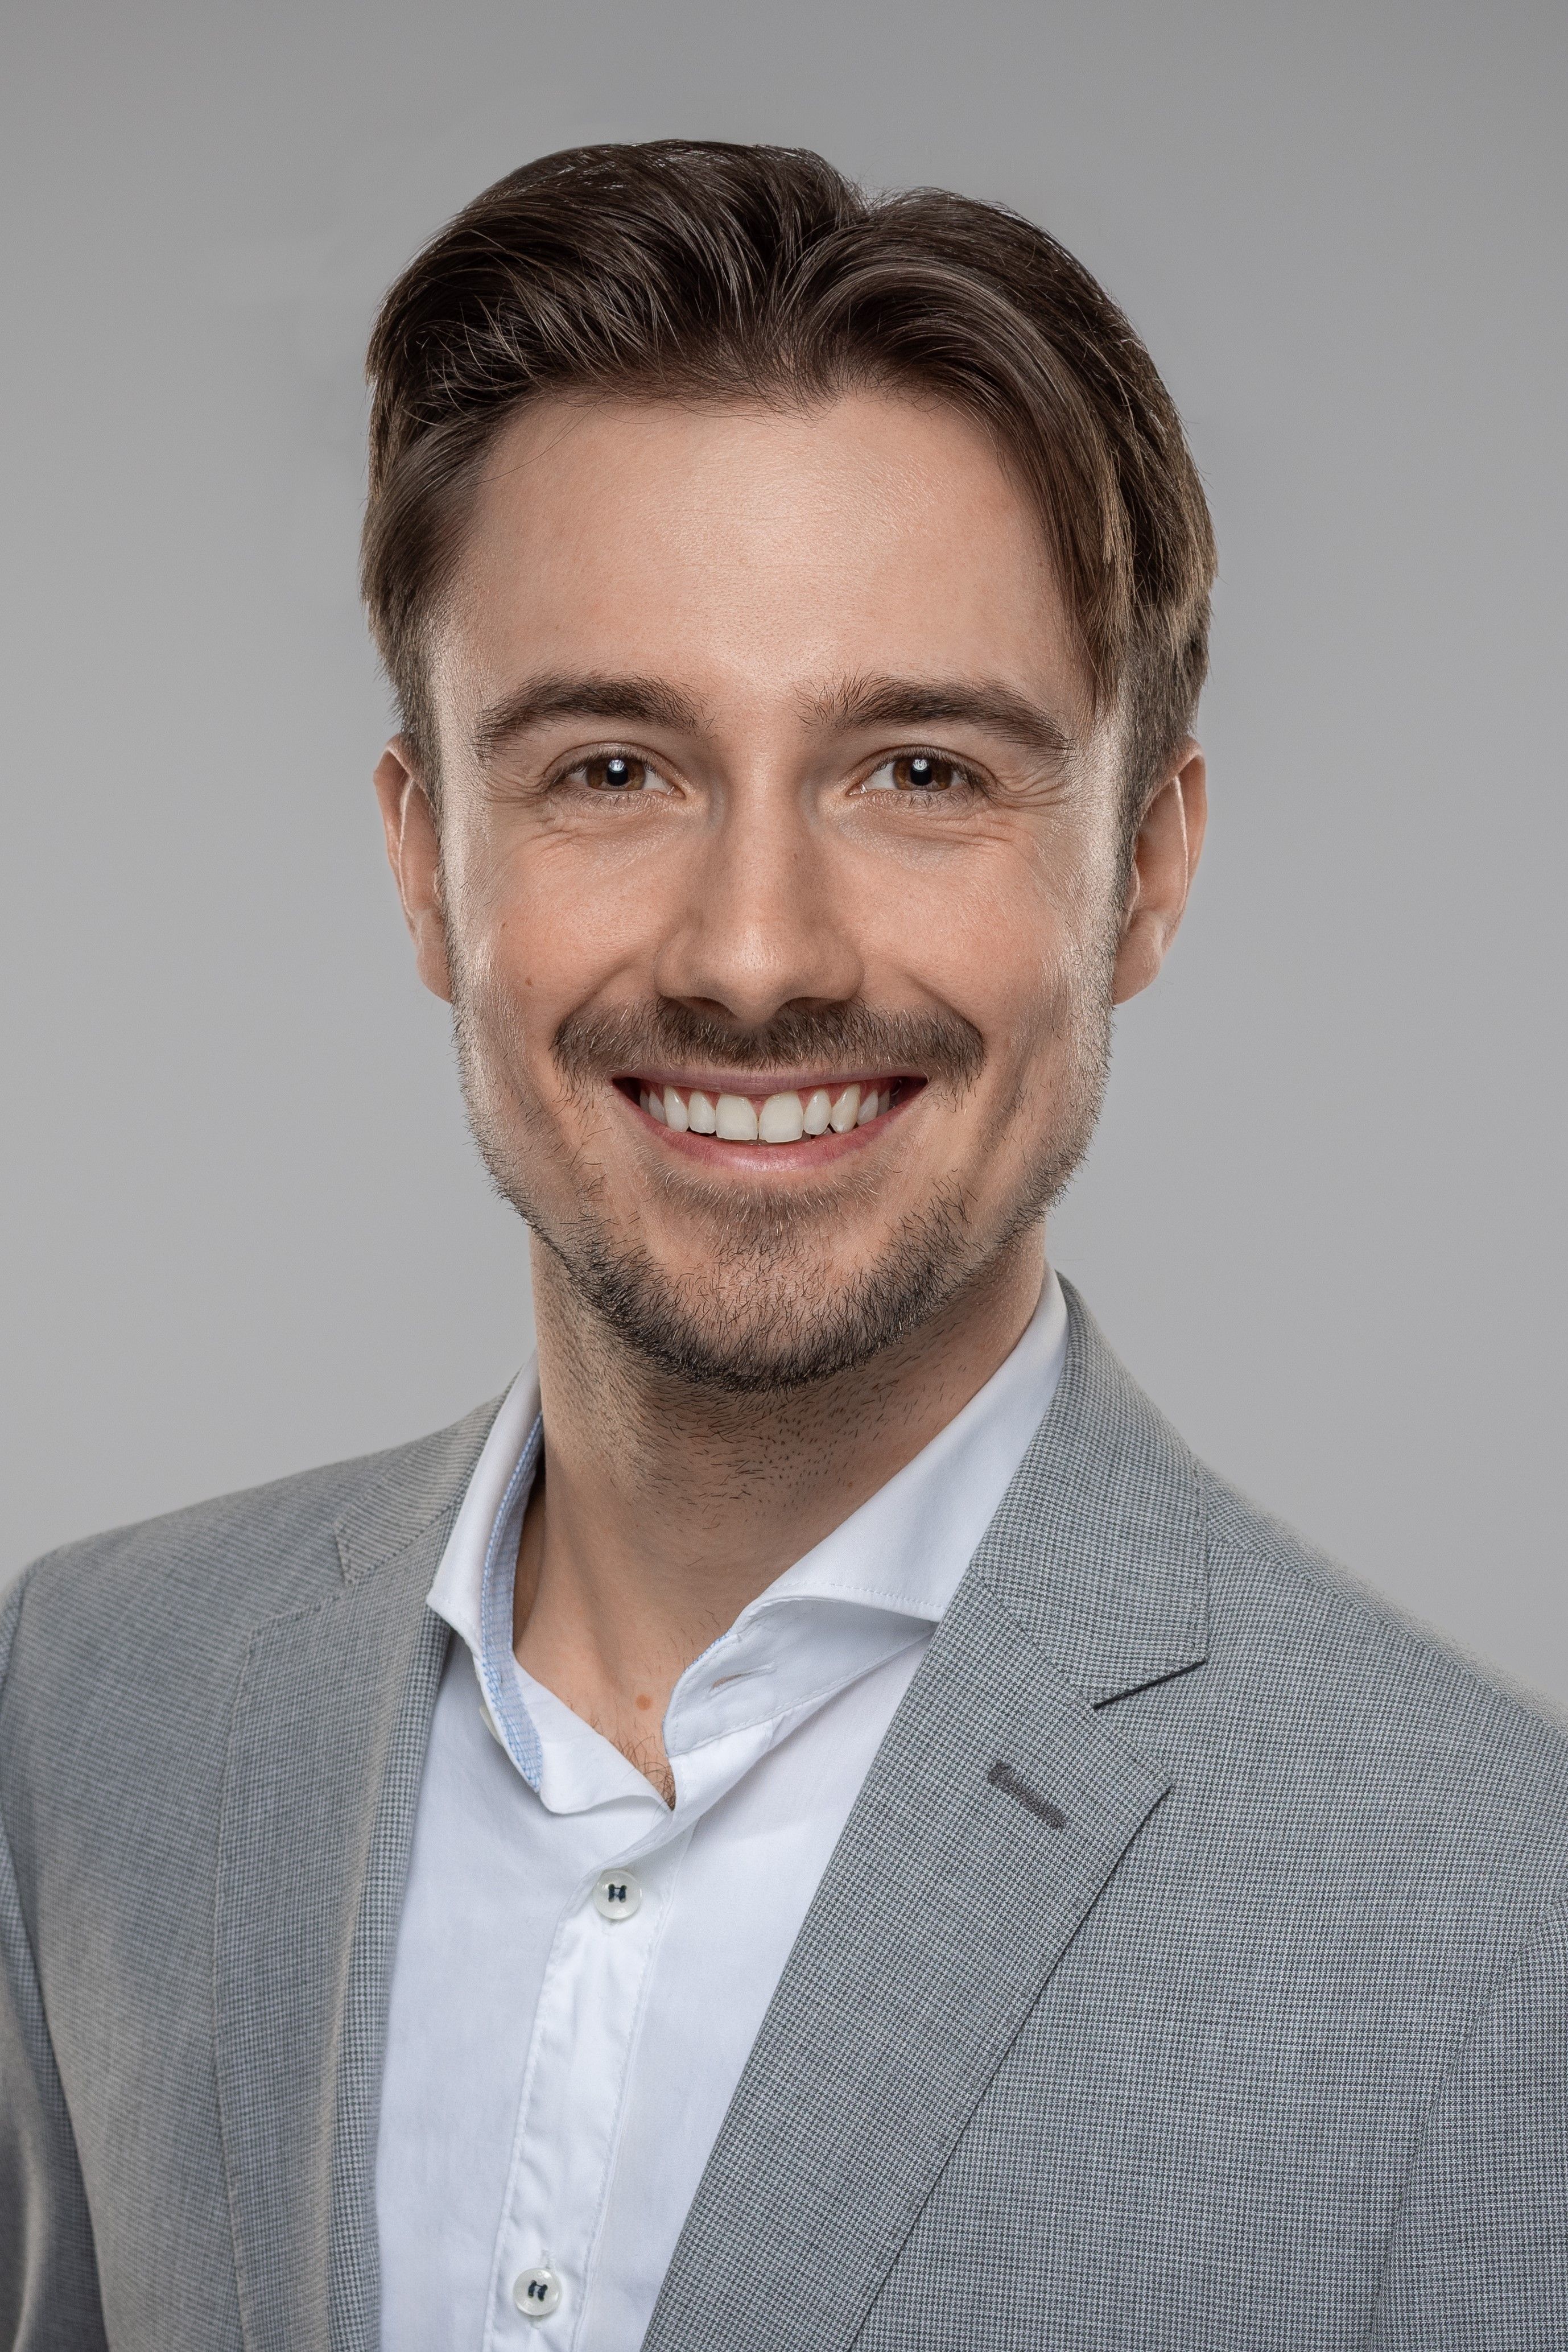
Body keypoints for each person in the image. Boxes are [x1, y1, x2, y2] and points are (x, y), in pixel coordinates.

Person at [2, 138, 1565, 2352]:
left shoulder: (1495, 1917)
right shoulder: (98, 1701)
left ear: (1142, 871)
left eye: (919, 771)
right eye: (610, 768)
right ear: (426, 861)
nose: (753, 955)